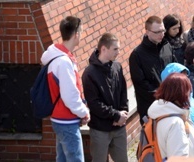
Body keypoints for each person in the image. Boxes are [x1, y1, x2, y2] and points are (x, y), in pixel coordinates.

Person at [40, 16, 90, 162]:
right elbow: (70, 96)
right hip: (66, 119)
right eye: (81, 31)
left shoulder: (57, 57)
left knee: (62, 158)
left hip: (59, 118)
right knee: (75, 159)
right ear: (76, 34)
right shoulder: (64, 62)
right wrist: (83, 112)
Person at [81, 33, 128, 162]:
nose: (118, 52)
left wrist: (122, 114)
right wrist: (115, 115)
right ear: (103, 49)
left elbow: (123, 92)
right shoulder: (89, 73)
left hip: (119, 127)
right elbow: (94, 103)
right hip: (100, 129)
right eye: (115, 49)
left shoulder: (117, 67)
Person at [147, 72, 194, 158]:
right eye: (188, 90)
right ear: (181, 94)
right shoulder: (175, 123)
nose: (190, 94)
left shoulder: (157, 113)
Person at [129, 15, 174, 123]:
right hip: (151, 108)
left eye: (163, 31)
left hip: (171, 104)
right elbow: (141, 84)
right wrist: (161, 97)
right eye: (157, 32)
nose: (161, 34)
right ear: (147, 32)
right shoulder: (137, 55)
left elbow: (174, 70)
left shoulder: (167, 46)